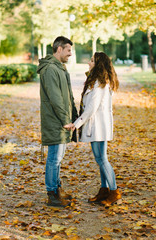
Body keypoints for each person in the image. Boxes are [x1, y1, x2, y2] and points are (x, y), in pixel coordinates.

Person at [65, 52, 121, 206]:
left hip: (99, 126)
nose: (88, 63)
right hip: (96, 125)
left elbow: (91, 108)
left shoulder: (100, 83)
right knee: (100, 159)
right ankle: (104, 191)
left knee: (102, 159)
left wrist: (76, 124)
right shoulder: (96, 80)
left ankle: (114, 192)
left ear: (98, 64)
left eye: (91, 61)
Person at [37, 36, 78, 207]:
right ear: (59, 49)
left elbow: (67, 96)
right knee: (54, 158)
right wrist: (65, 120)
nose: (70, 53)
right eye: (68, 50)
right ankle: (52, 194)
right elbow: (55, 98)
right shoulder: (50, 69)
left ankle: (57, 189)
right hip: (56, 122)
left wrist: (73, 117)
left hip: (62, 121)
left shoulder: (60, 68)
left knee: (58, 158)